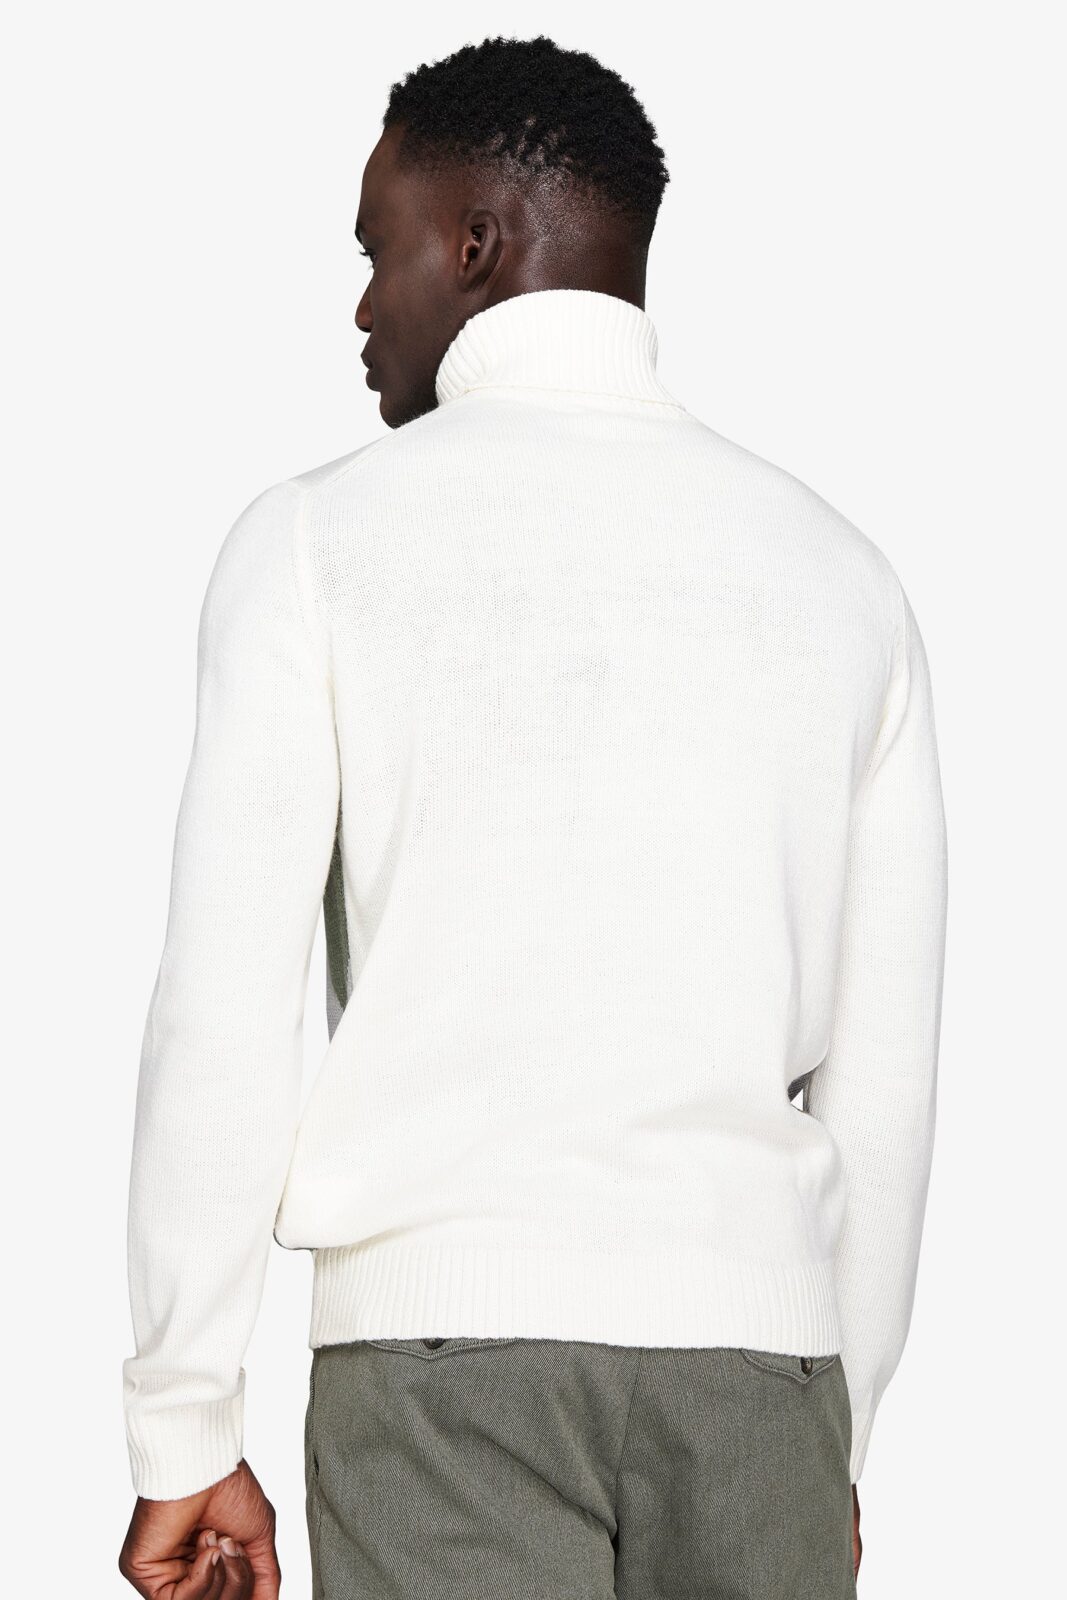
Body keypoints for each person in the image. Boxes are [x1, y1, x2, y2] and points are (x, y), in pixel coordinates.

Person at [118, 32, 948, 1600]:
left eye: (376, 251)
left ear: (476, 244)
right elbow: (884, 1085)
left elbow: (224, 1020)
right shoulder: (845, 576)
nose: (362, 308)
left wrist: (185, 1425)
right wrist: (833, 1441)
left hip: (442, 1377)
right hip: (761, 1383)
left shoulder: (315, 543)